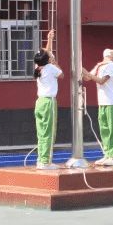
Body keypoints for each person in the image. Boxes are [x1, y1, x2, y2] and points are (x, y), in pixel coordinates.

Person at [82, 48, 113, 166]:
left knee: (111, 128)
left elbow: (101, 81)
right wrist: (83, 73)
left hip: (111, 101)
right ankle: (107, 154)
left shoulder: (110, 65)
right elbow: (88, 78)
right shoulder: (99, 65)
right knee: (104, 128)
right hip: (102, 101)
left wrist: (87, 73)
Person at [33, 30, 63, 170]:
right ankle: (46, 162)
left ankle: (41, 160)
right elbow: (61, 75)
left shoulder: (38, 66)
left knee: (41, 132)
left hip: (39, 102)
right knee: (49, 132)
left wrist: (49, 39)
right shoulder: (51, 67)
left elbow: (44, 53)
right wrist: (54, 60)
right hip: (48, 102)